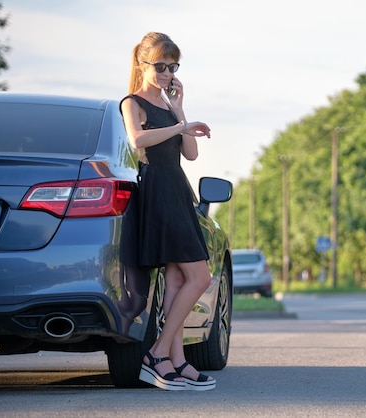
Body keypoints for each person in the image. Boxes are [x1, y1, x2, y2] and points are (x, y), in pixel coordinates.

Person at [120, 32, 215, 391]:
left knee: (177, 280)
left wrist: (179, 109)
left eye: (172, 67)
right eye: (161, 66)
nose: (167, 73)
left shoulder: (167, 103)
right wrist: (179, 126)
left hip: (177, 187)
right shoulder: (132, 102)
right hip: (157, 190)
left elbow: (190, 154)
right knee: (200, 277)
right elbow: (137, 140)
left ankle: (177, 362)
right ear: (144, 64)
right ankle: (158, 354)